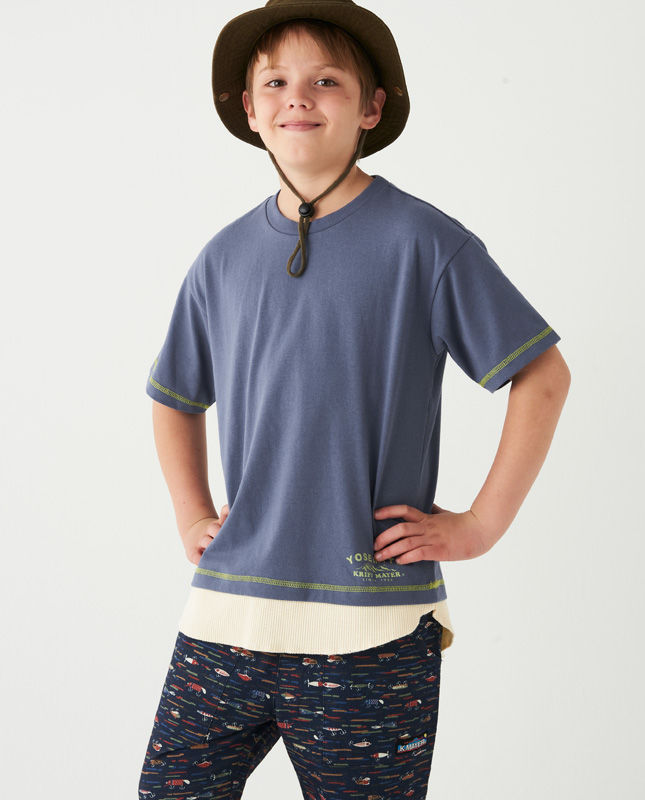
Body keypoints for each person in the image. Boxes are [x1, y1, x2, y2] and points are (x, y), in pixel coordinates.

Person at [138, 1, 571, 797]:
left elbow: (542, 374)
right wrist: (191, 513)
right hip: (228, 616)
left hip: (369, 627)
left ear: (371, 107)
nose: (298, 97)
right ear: (250, 109)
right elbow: (173, 396)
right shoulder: (221, 259)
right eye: (276, 82)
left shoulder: (425, 243)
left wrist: (481, 523)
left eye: (326, 80)